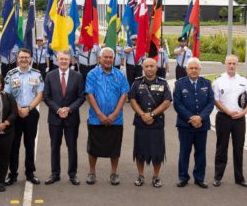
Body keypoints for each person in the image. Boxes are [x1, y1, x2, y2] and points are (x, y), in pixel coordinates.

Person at [85, 47, 129, 185]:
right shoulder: (92, 74)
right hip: (96, 119)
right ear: (99, 59)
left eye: (111, 57)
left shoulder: (120, 74)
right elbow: (89, 94)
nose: (109, 60)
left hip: (116, 120)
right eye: (106, 57)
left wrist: (115, 114)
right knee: (93, 148)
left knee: (114, 149)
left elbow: (124, 94)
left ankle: (114, 173)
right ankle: (92, 172)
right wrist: (100, 114)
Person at [42, 50, 86, 185]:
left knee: (72, 146)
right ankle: (55, 174)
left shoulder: (77, 76)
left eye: (66, 59)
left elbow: (81, 97)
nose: (63, 61)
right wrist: (58, 109)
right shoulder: (50, 76)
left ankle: (72, 174)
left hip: (71, 118)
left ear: (70, 60)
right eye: (61, 59)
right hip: (55, 118)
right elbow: (46, 97)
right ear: (57, 60)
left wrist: (69, 109)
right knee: (55, 146)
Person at [211, 55, 247, 188]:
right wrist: (227, 112)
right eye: (229, 63)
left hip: (239, 119)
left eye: (234, 63)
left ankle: (239, 178)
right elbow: (216, 100)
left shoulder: (243, 80)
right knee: (221, 148)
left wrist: (244, 112)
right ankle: (217, 177)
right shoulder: (218, 81)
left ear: (237, 65)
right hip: (223, 117)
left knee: (238, 148)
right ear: (225, 64)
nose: (231, 66)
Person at [4, 48, 44, 185]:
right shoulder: (10, 74)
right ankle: (12, 174)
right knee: (13, 145)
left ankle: (30, 173)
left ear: (30, 59)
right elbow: (7, 95)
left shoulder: (37, 74)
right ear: (17, 59)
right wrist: (19, 109)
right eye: (21, 57)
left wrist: (28, 108)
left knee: (30, 144)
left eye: (26, 57)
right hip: (15, 114)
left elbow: (40, 94)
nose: (24, 60)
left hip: (31, 113)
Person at [129, 58, 172, 188]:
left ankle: (156, 176)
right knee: (140, 150)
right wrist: (142, 115)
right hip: (141, 122)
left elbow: (167, 101)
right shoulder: (136, 83)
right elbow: (132, 99)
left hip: (157, 123)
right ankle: (140, 175)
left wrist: (152, 114)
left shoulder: (163, 83)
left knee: (157, 151)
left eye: (151, 66)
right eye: (146, 66)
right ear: (143, 67)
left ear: (156, 67)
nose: (149, 69)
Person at [173, 57, 214, 188]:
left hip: (202, 125)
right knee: (184, 152)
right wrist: (192, 118)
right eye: (191, 68)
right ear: (187, 69)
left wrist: (200, 118)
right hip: (185, 125)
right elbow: (178, 104)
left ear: (200, 69)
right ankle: (183, 177)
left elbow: (210, 103)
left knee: (201, 152)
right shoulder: (179, 84)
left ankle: (199, 178)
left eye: (196, 68)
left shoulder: (206, 83)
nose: (194, 70)